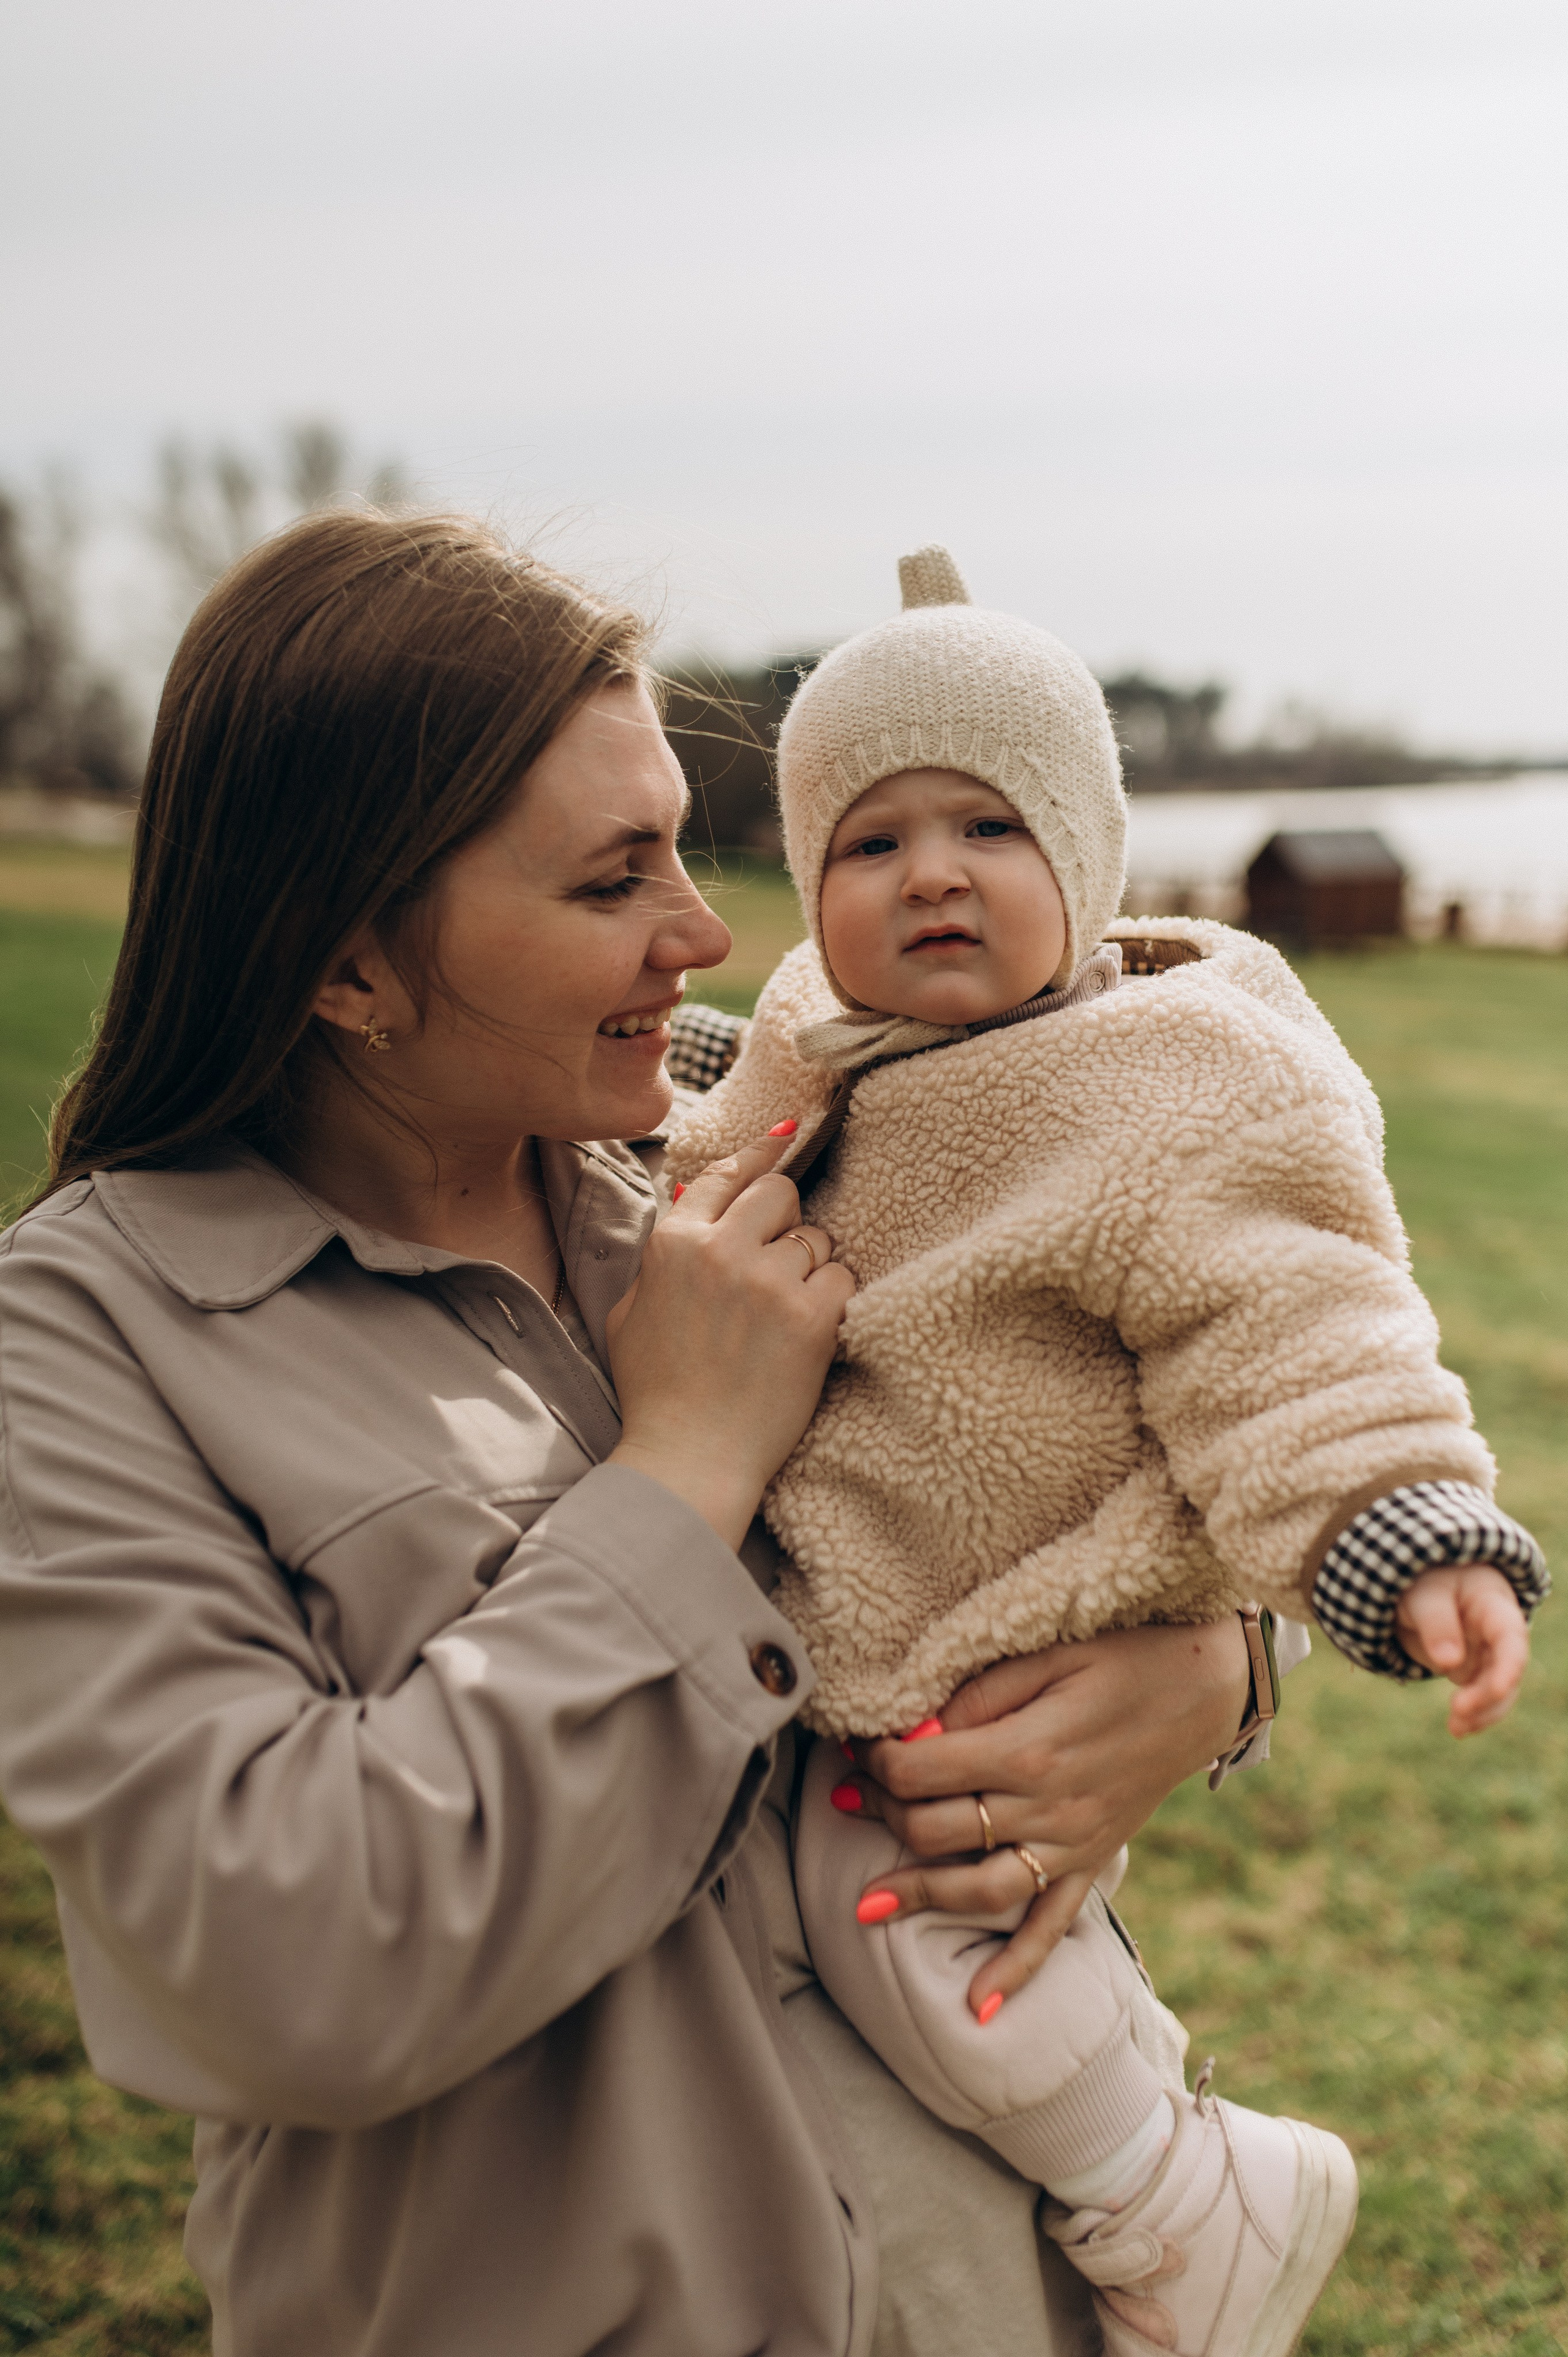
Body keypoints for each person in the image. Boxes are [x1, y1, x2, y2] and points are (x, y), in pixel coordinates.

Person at [0, 509, 1285, 2357]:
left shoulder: (765, 1144)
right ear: (350, 966)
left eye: (686, 848)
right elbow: (278, 1967)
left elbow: (1109, 1388)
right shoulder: (90, 1335)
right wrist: (680, 1475)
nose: (710, 933)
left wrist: (1218, 1669)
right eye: (615, 884)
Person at [666, 546, 1549, 2356]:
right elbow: (710, 1134)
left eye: (988, 828)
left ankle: (1182, 2188)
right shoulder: (809, 1047)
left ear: (1084, 858)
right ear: (805, 880)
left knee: (917, 1920)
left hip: (1011, 1627)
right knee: (885, 1917)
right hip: (873, 1609)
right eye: (868, 841)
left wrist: (1402, 1523)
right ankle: (1166, 2173)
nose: (929, 874)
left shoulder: (1170, 1086)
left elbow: (1295, 1324)